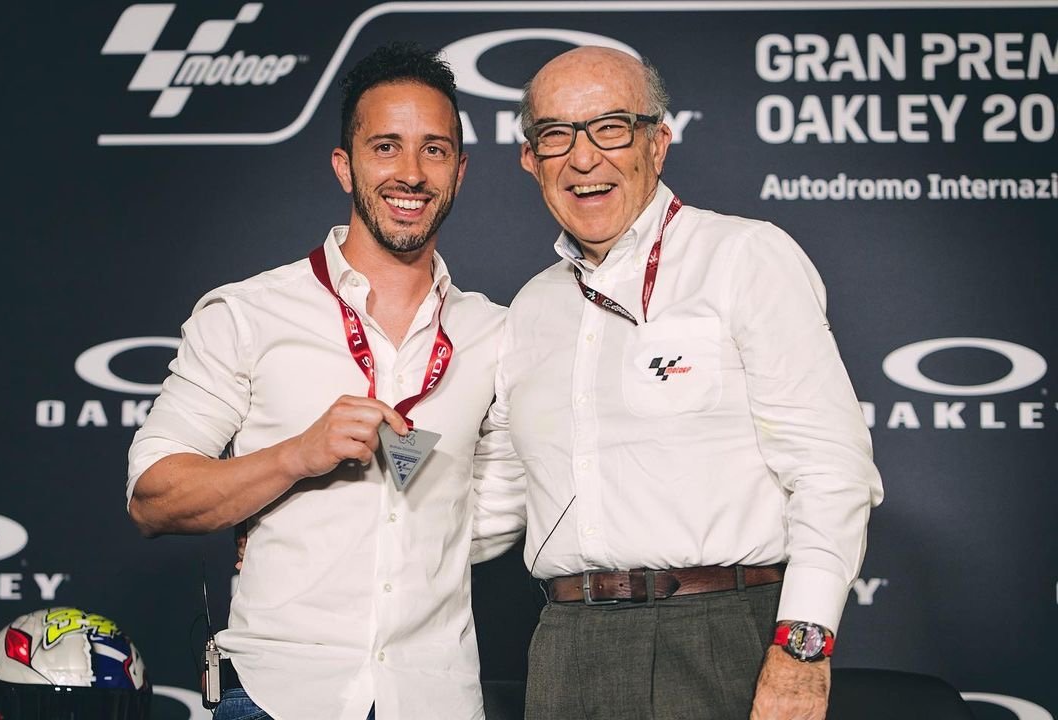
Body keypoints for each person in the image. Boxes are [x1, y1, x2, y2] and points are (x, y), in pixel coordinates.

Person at [126, 43, 524, 720]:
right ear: (345, 166)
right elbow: (152, 499)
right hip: (278, 696)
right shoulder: (248, 313)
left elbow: (498, 511)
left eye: (433, 150)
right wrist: (293, 460)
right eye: (386, 147)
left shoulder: (498, 333)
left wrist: (405, 529)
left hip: (434, 696)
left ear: (459, 171)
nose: (411, 173)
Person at [489, 46, 884, 720]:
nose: (583, 158)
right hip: (565, 644)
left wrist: (804, 648)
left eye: (611, 128)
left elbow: (832, 470)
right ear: (531, 159)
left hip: (717, 633)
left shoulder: (743, 256)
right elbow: (495, 501)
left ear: (658, 143)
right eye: (556, 135)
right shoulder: (530, 307)